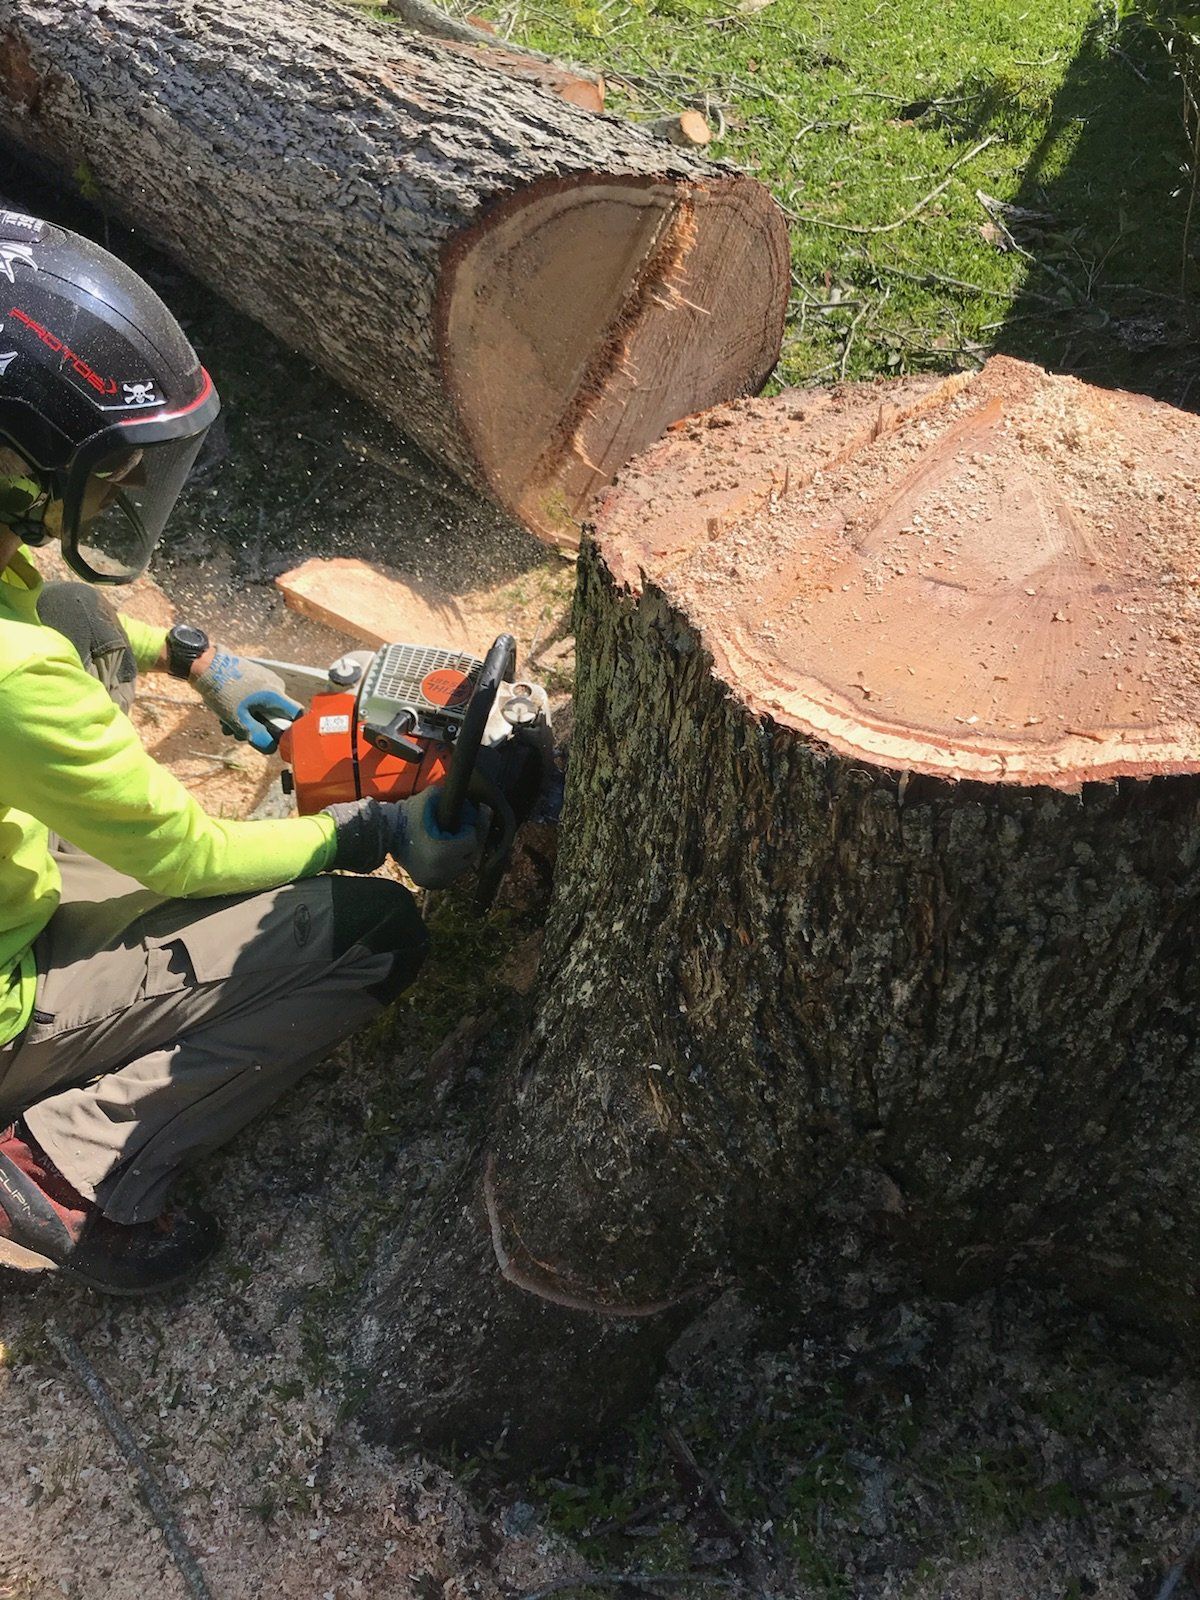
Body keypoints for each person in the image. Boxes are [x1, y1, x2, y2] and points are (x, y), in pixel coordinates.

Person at [0, 211, 480, 1294]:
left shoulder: (16, 643)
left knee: (77, 613)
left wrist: (190, 652)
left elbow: (44, 622)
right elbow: (181, 858)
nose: (119, 486)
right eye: (108, 467)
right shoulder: (13, 683)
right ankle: (61, 1168)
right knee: (370, 931)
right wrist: (365, 829)